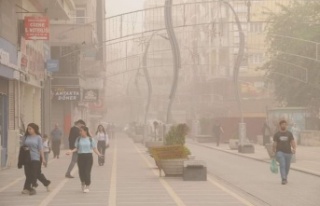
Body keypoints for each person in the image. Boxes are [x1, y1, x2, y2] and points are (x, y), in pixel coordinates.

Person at [66, 126, 102, 193]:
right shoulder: (78, 139)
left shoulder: (90, 139)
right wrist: (71, 151)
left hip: (88, 157)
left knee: (87, 171)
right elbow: (76, 148)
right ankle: (83, 183)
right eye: (79, 131)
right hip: (80, 157)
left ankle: (87, 186)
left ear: (85, 131)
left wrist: (99, 154)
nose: (80, 132)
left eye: (81, 131)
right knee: (81, 172)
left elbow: (94, 148)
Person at [20, 123, 46, 195]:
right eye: (28, 129)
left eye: (30, 129)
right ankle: (27, 188)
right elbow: (22, 146)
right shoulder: (25, 137)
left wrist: (43, 159)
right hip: (27, 158)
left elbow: (40, 148)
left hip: (35, 158)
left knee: (33, 174)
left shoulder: (38, 137)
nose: (29, 130)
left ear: (34, 129)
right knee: (28, 174)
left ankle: (32, 188)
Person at [273, 120, 297, 185]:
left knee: (287, 167)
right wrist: (273, 151)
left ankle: (285, 177)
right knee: (282, 165)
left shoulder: (289, 133)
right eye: (283, 124)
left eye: (285, 124)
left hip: (288, 153)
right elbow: (275, 143)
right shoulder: (277, 134)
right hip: (280, 152)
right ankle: (283, 178)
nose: (284, 125)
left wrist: (294, 148)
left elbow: (292, 142)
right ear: (280, 125)